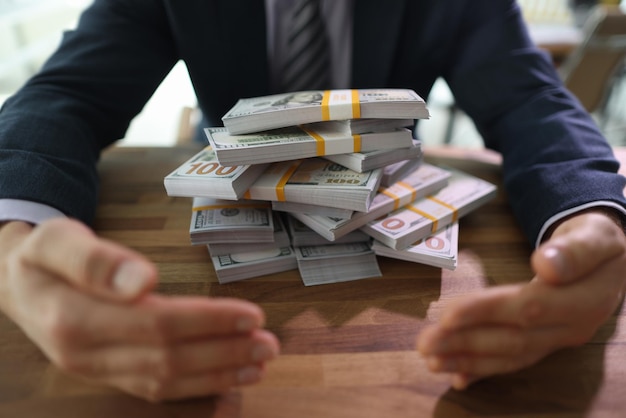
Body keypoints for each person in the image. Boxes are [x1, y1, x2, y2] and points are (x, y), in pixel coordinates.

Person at [1, 0, 625, 402]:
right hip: (222, 210)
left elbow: (529, 103)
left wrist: (589, 214)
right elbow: (68, 96)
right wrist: (10, 239)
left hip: (390, 235)